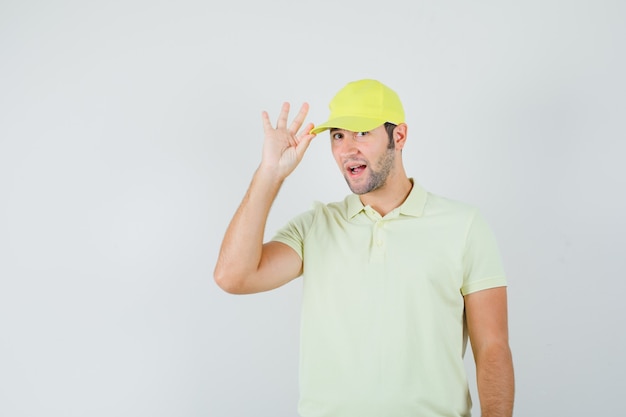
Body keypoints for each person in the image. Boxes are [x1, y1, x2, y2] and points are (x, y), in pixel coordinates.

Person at [214, 79, 514, 417]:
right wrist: (270, 173)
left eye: (361, 133)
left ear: (398, 137)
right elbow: (232, 276)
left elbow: (492, 348)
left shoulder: (464, 225)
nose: (346, 149)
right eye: (338, 136)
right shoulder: (316, 226)